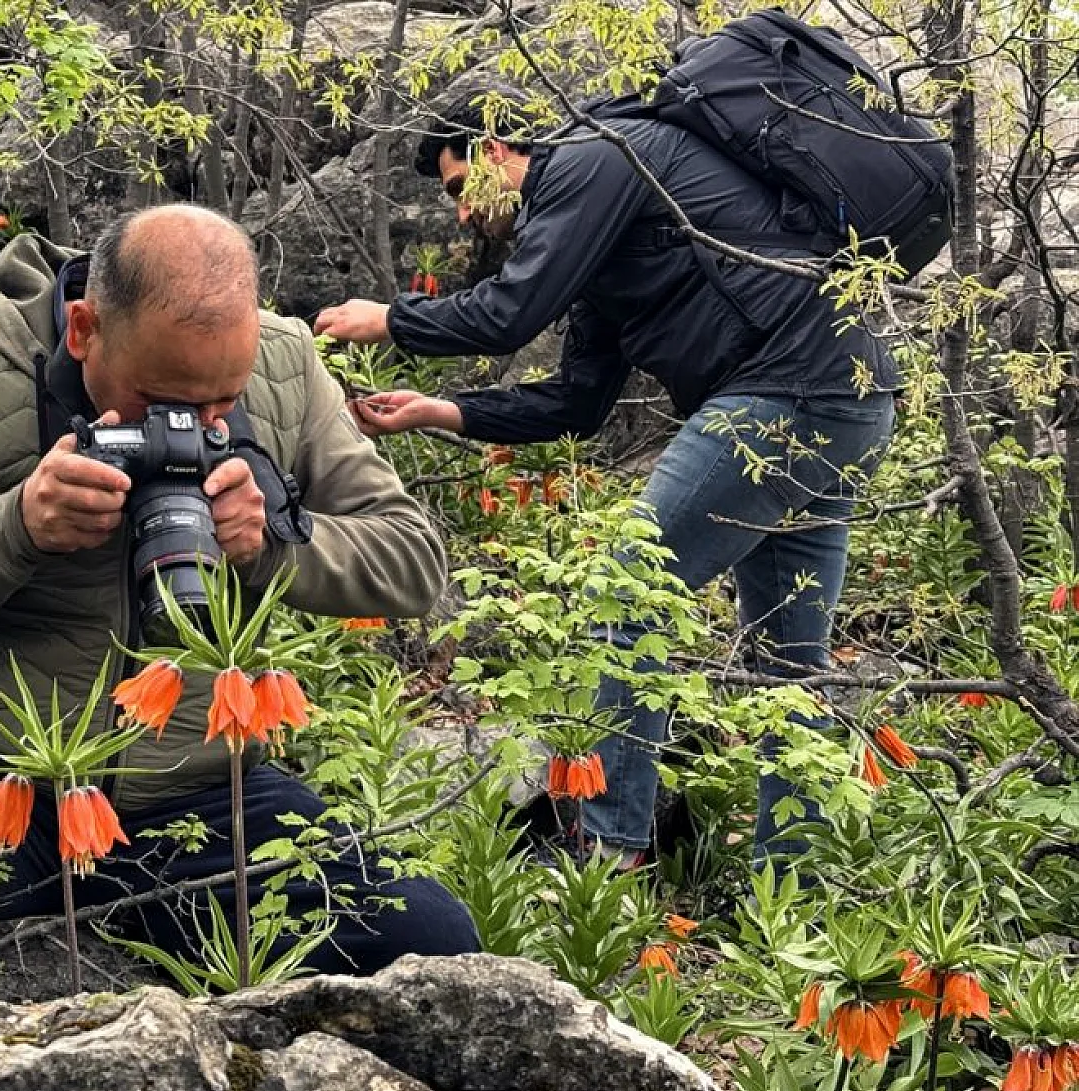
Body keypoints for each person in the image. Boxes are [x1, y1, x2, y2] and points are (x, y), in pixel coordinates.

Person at [0, 204, 480, 1091]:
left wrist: (275, 541)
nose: (195, 422)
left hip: (199, 810)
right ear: (83, 328)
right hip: (1, 793)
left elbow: (413, 558)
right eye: (162, 400)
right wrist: (14, 528)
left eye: (218, 407)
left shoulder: (284, 366)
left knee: (431, 938)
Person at [315, 83, 898, 871]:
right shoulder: (605, 223)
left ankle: (609, 847)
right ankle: (793, 880)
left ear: (495, 152)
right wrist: (436, 412)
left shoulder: (594, 159)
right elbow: (577, 403)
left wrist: (389, 319)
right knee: (789, 659)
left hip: (788, 393)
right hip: (844, 398)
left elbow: (508, 314)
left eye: (458, 189)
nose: (460, 213)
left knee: (629, 589)